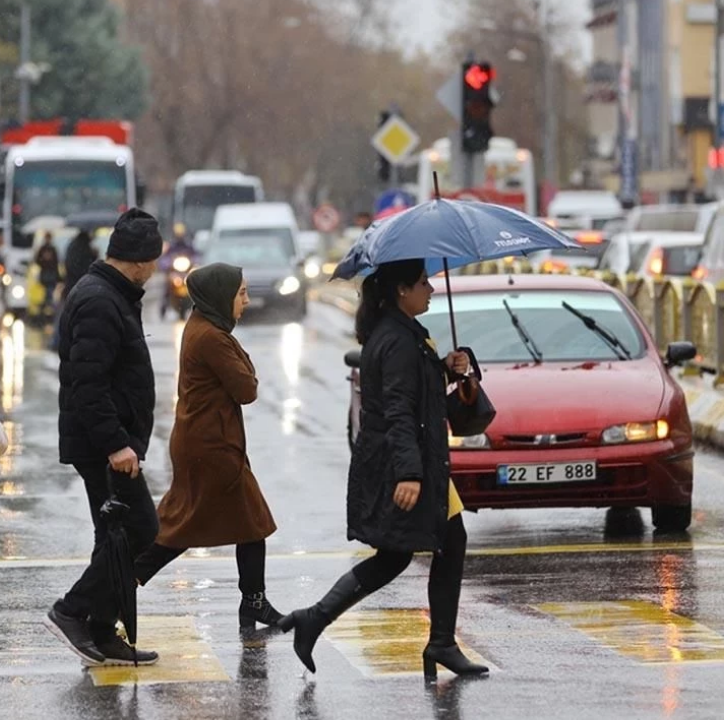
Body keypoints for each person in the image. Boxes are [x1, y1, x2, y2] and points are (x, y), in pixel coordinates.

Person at [278, 258, 488, 680]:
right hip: (404, 464)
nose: (430, 288)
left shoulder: (404, 335)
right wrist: (409, 474)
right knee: (403, 553)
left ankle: (320, 620)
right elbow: (397, 411)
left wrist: (446, 370)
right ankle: (434, 641)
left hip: (415, 461)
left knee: (423, 547)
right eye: (423, 282)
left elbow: (417, 397)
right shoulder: (396, 341)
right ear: (401, 291)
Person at [44, 207, 164, 666]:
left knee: (112, 537)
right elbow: (87, 383)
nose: (154, 269)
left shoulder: (109, 292)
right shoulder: (99, 299)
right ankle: (72, 610)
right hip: (103, 444)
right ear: (138, 261)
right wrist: (116, 443)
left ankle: (101, 628)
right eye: (153, 260)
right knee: (141, 529)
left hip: (108, 439)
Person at [133, 262, 283, 629]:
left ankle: (254, 602)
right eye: (241, 293)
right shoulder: (212, 337)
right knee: (183, 528)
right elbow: (246, 389)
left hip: (207, 441)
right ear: (221, 296)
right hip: (210, 446)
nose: (246, 301)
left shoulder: (204, 326)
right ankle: (118, 583)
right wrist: (247, 365)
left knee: (249, 522)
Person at [62, 229, 97, 296]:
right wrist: (93, 255)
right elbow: (84, 264)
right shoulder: (83, 246)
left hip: (72, 283)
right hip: (78, 282)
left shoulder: (75, 244)